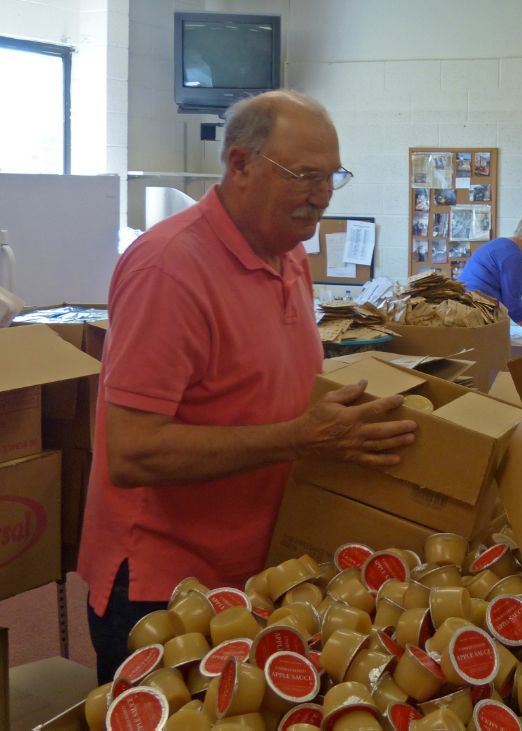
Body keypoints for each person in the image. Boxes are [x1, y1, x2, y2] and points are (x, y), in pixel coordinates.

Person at [76, 90, 417, 683]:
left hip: (258, 576)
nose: (322, 196)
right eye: (305, 176)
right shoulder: (170, 268)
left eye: (333, 177)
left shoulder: (287, 257)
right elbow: (131, 452)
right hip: (165, 591)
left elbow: (263, 392)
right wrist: (299, 437)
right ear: (240, 165)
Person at [456, 212, 522, 338]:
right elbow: (513, 306)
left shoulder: (498, 244)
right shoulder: (515, 257)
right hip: (476, 315)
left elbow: (509, 302)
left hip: (462, 309)